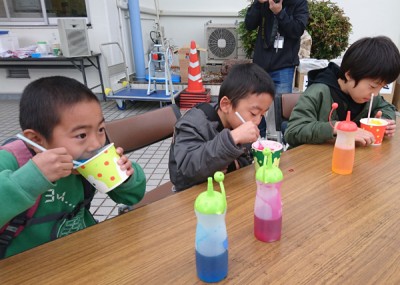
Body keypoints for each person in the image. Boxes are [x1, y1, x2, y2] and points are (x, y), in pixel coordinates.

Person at [0, 76, 146, 258]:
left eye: (100, 129)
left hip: (83, 253)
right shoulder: (11, 161)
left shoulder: (85, 159)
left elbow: (133, 197)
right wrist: (29, 180)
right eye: (81, 135)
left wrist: (127, 177)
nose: (96, 144)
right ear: (37, 140)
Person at [169, 63, 275, 192]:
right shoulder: (193, 124)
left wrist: (232, 164)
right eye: (253, 113)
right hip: (190, 195)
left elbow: (245, 159)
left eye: (262, 114)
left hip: (226, 188)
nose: (258, 121)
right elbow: (188, 167)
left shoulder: (237, 124)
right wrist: (232, 138)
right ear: (226, 105)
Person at [284, 36, 400, 148]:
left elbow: (387, 107)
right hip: (311, 161)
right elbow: (293, 132)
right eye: (373, 86)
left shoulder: (369, 95)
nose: (375, 93)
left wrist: (384, 121)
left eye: (382, 87)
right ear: (349, 75)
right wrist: (336, 127)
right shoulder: (318, 92)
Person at [245, 0, 309, 138]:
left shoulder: (298, 2)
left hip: (284, 64)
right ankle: (258, 139)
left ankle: (282, 141)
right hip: (261, 63)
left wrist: (280, 13)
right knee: (255, 104)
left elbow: (297, 30)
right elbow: (249, 25)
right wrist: (257, 3)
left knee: (281, 108)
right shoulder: (263, 3)